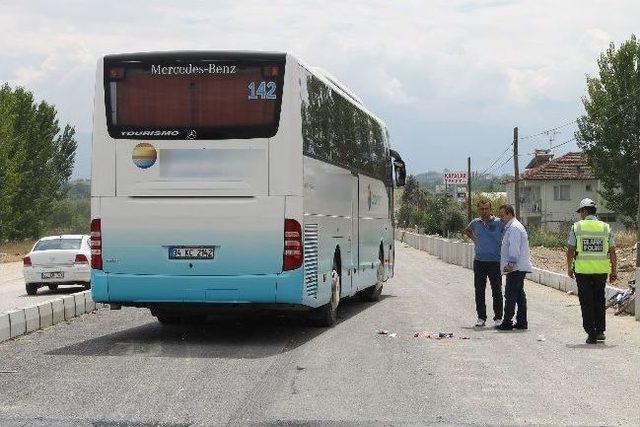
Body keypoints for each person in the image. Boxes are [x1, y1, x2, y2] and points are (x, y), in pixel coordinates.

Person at [566, 198, 618, 344]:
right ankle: (600, 330)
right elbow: (612, 251)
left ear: (584, 211)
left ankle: (591, 333)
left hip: (582, 272)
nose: (580, 215)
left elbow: (570, 250)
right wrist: (614, 271)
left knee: (586, 302)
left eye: (580, 212)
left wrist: (569, 268)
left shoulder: (577, 227)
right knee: (599, 301)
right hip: (601, 272)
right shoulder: (605, 227)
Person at [464, 199, 504, 327]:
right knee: (479, 290)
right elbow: (467, 230)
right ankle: (481, 318)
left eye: (487, 209)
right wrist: (475, 239)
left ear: (491, 209)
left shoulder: (499, 222)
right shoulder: (476, 222)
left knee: (496, 290)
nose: (484, 211)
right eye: (482, 209)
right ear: (478, 210)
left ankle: (498, 318)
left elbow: (508, 232)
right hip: (479, 262)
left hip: (495, 262)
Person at [496, 204, 532, 330]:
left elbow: (514, 248)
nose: (501, 218)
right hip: (518, 267)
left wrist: (510, 264)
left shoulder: (514, 228)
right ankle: (522, 322)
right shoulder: (513, 226)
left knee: (510, 294)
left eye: (502, 215)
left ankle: (507, 322)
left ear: (509, 214)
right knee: (519, 295)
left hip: (515, 267)